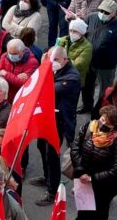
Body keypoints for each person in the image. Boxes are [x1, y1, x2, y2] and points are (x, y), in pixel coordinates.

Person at [70, 105, 117, 220]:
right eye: (102, 119)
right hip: (84, 175)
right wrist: (81, 171)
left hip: (104, 183)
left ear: (114, 126)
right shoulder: (88, 127)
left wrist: (93, 178)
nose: (102, 124)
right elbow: (75, 147)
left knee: (100, 211)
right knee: (84, 204)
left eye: (107, 123)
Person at [34, 46, 82, 205]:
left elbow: (47, 89)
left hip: (60, 121)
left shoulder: (72, 77)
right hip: (47, 116)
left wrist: (44, 68)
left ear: (65, 60)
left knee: (52, 154)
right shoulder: (54, 70)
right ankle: (47, 177)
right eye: (49, 59)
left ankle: (52, 190)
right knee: (41, 146)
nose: (52, 62)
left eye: (55, 59)